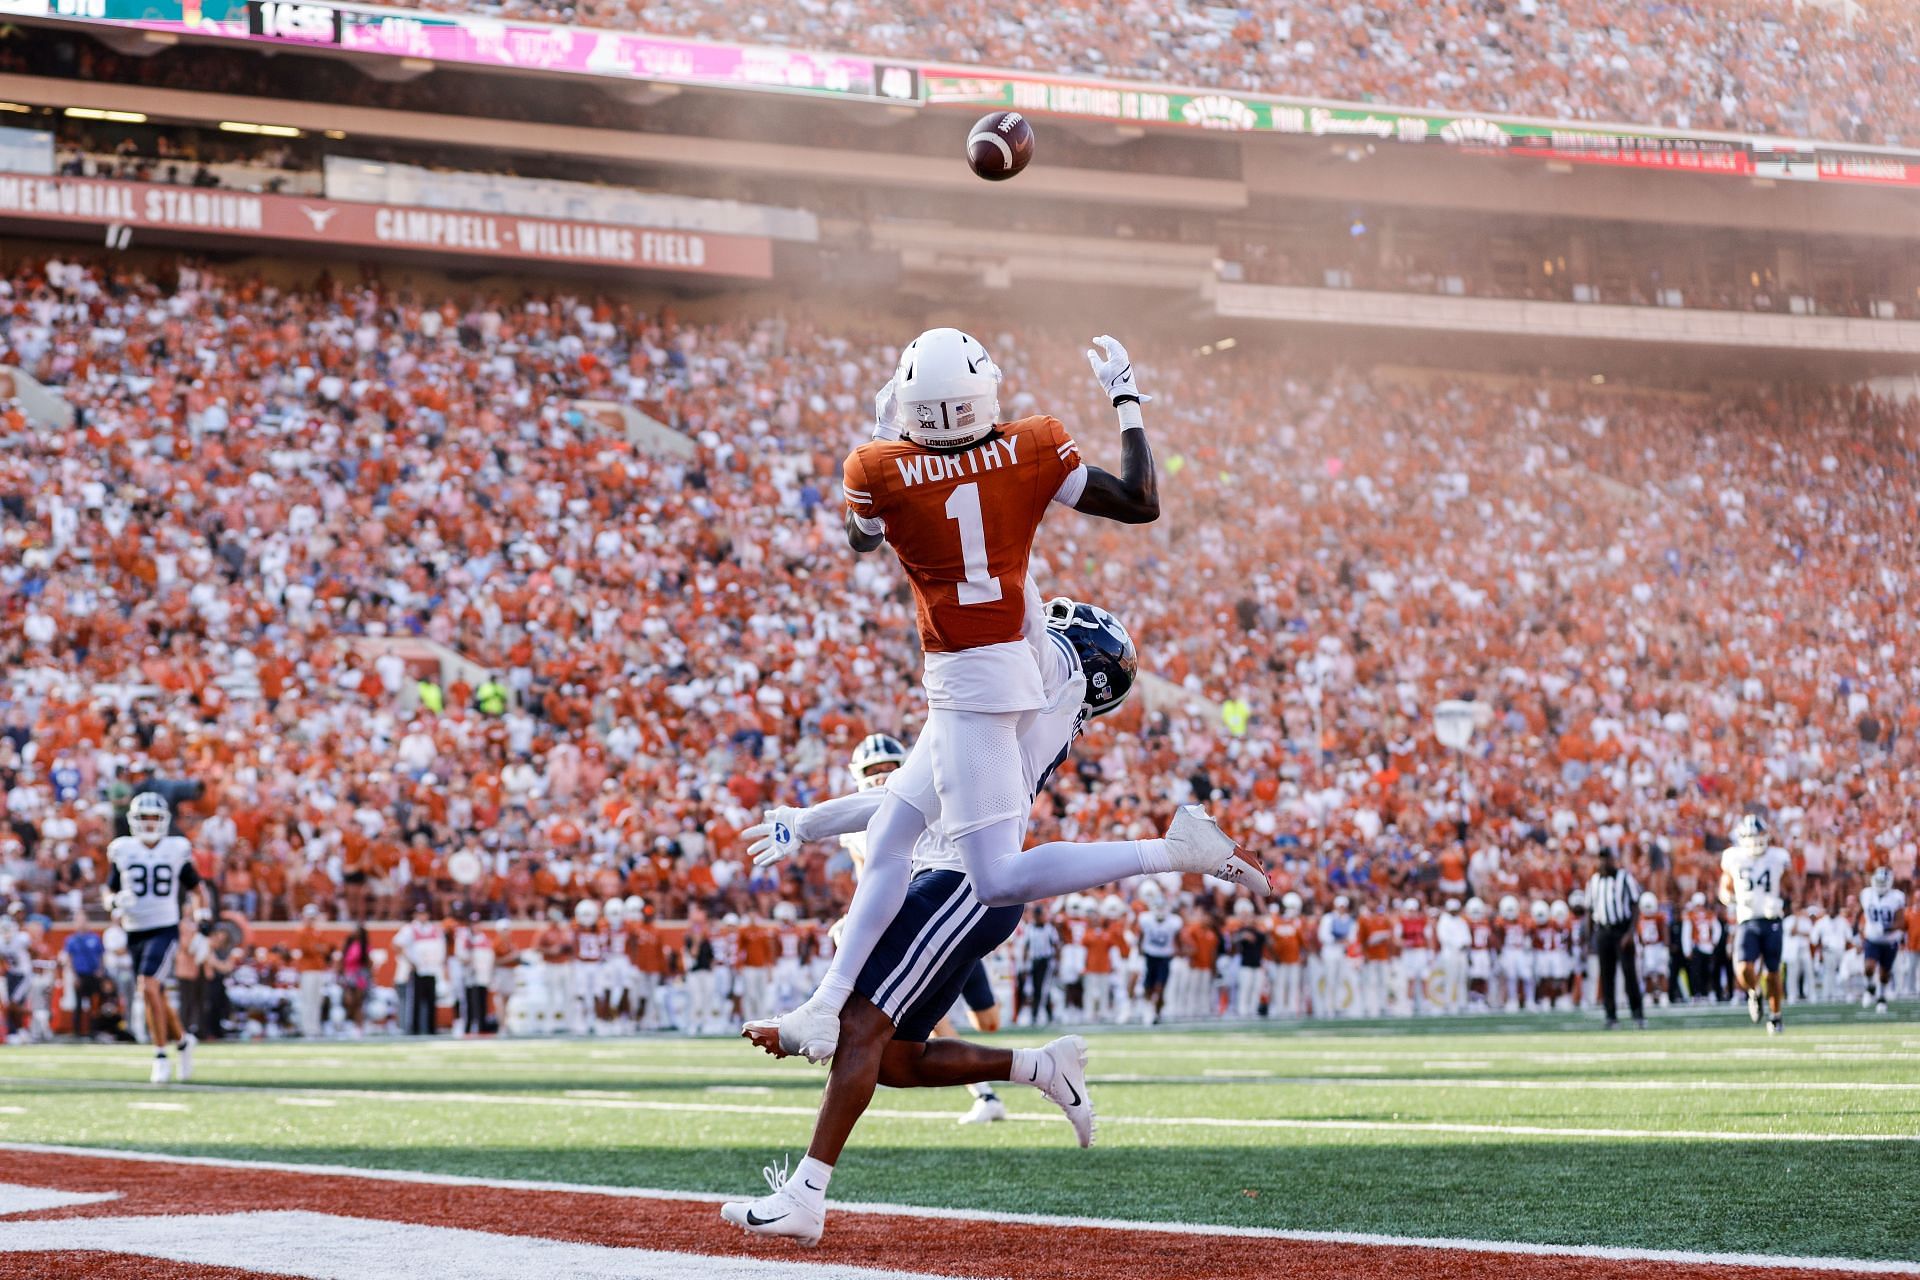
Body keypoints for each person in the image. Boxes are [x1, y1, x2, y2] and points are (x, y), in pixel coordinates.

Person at [763, 331, 1264, 1064]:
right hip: (1014, 657)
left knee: (996, 878)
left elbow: (861, 540)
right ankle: (824, 1003)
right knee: (895, 833)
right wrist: (1125, 400)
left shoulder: (876, 467)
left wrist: (883, 436)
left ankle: (1170, 850)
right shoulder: (1031, 444)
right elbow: (1139, 502)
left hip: (970, 683)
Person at [721, 594, 1138, 1248]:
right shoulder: (1032, 709)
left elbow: (904, 795)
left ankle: (805, 1196)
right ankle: (1038, 1068)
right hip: (956, 878)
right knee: (894, 1058)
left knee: (860, 1026)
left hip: (961, 879)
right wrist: (806, 822)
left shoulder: (1025, 697)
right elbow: (903, 795)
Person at [106, 793, 206, 1083]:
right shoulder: (122, 849)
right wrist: (112, 903)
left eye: (154, 818)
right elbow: (109, 889)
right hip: (134, 928)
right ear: (133, 820)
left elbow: (197, 888)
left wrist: (201, 918)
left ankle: (161, 1055)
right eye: (144, 818)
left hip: (164, 926)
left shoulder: (176, 848)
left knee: (147, 985)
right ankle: (184, 1041)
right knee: (155, 993)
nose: (149, 824)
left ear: (164, 821)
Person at [1721, 813, 1792, 1034]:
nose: (1755, 841)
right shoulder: (1733, 857)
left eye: (1758, 836)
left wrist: (1783, 902)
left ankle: (1776, 1016)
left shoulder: (1777, 857)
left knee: (1772, 973)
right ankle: (1754, 993)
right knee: (1743, 969)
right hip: (1747, 919)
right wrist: (1731, 899)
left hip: (1772, 920)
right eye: (1751, 836)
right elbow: (1724, 887)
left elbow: (1790, 885)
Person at [1584, 847, 1645, 1029]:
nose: (1604, 863)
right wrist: (1590, 938)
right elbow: (1589, 910)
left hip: (1622, 930)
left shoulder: (1625, 878)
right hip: (1603, 931)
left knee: (1629, 974)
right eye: (1601, 859)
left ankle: (1637, 1014)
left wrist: (1629, 933)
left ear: (1613, 859)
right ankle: (1610, 1016)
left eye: (1607, 859)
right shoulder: (1593, 881)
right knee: (1606, 976)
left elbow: (1635, 907)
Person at [1859, 866, 1905, 1013]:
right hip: (1872, 938)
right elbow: (1864, 914)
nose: (1880, 884)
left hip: (1890, 940)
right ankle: (1870, 987)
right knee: (1869, 967)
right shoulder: (1866, 894)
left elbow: (1901, 922)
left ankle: (1882, 997)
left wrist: (1886, 929)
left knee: (1884, 974)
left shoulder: (1897, 897)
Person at [396, 903, 446, 1036]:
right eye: (420, 913)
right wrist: (409, 961)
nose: (422, 916)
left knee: (431, 1000)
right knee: (415, 1000)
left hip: (432, 969)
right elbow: (397, 945)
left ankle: (431, 1028)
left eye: (424, 913)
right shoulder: (410, 929)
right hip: (418, 969)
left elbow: (441, 948)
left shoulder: (435, 929)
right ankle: (414, 1028)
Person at [59, 909, 105, 1040]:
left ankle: (93, 1030)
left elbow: (100, 955)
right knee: (78, 1004)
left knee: (94, 1004)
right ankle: (77, 1032)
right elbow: (69, 959)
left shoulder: (94, 937)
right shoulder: (71, 940)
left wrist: (100, 970)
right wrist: (73, 976)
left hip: (93, 974)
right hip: (79, 974)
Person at [1681, 892, 1722, 1004]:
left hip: (1707, 947)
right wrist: (1687, 949)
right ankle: (1697, 993)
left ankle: (1707, 993)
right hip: (1697, 947)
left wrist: (1714, 941)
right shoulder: (1691, 915)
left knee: (1708, 972)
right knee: (1696, 972)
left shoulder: (1708, 915)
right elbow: (1687, 933)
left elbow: (1717, 929)